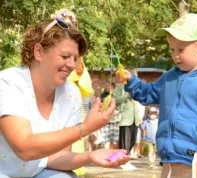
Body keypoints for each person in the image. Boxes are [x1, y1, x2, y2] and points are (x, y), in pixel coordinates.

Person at [0, 18, 129, 178]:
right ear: (38, 52)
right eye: (65, 56)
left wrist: (90, 156)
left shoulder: (70, 93)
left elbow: (56, 157)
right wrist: (86, 128)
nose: (72, 65)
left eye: (75, 58)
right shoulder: (9, 83)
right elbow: (24, 148)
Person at [116, 13, 197, 178]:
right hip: (167, 158)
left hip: (194, 160)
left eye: (181, 49)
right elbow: (146, 94)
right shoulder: (168, 78)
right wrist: (131, 81)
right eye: (172, 49)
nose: (175, 55)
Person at [113, 82, 138, 170]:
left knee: (133, 140)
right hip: (125, 118)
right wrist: (126, 95)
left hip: (135, 119)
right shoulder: (120, 86)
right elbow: (115, 99)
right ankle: (124, 162)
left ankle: (123, 159)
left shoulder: (135, 87)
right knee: (125, 142)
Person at [100, 81, 121, 150]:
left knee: (115, 140)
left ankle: (114, 156)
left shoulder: (117, 95)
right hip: (105, 120)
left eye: (108, 86)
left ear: (113, 87)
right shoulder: (103, 95)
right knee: (105, 139)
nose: (106, 87)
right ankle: (106, 155)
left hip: (115, 120)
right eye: (105, 86)